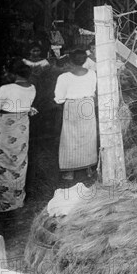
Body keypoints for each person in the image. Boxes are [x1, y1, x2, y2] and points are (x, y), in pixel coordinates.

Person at [0, 61, 37, 212]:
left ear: (13, 73)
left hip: (5, 131)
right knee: (19, 163)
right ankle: (18, 201)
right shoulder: (32, 88)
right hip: (21, 129)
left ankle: (5, 204)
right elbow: (23, 107)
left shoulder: (5, 89)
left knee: (3, 164)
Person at [54, 49, 97, 181]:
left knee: (70, 136)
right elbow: (93, 90)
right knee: (88, 135)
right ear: (85, 60)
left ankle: (70, 171)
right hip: (88, 105)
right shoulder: (92, 74)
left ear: (70, 61)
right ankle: (88, 168)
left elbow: (59, 98)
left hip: (72, 106)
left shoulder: (64, 77)